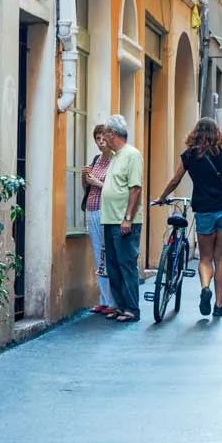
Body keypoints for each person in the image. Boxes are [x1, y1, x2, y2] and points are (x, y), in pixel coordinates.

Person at [156, 117, 222, 318]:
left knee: (205, 257)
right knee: (220, 258)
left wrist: (162, 197)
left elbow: (176, 180)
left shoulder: (190, 156)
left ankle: (205, 287)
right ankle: (219, 305)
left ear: (195, 133)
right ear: (217, 134)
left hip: (204, 211)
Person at [99, 115, 145, 323]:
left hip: (124, 221)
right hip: (110, 219)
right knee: (113, 264)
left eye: (105, 134)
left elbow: (135, 188)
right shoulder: (116, 156)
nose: (103, 138)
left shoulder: (132, 155)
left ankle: (132, 309)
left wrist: (128, 218)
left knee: (126, 264)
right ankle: (120, 305)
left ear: (113, 134)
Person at [80, 124, 115, 315]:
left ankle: (113, 301)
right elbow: (86, 188)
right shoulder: (96, 159)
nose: (100, 143)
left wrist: (98, 183)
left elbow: (116, 188)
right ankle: (103, 298)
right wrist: (85, 178)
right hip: (92, 209)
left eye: (103, 139)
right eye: (97, 139)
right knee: (98, 255)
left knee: (107, 254)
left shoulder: (115, 161)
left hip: (106, 211)